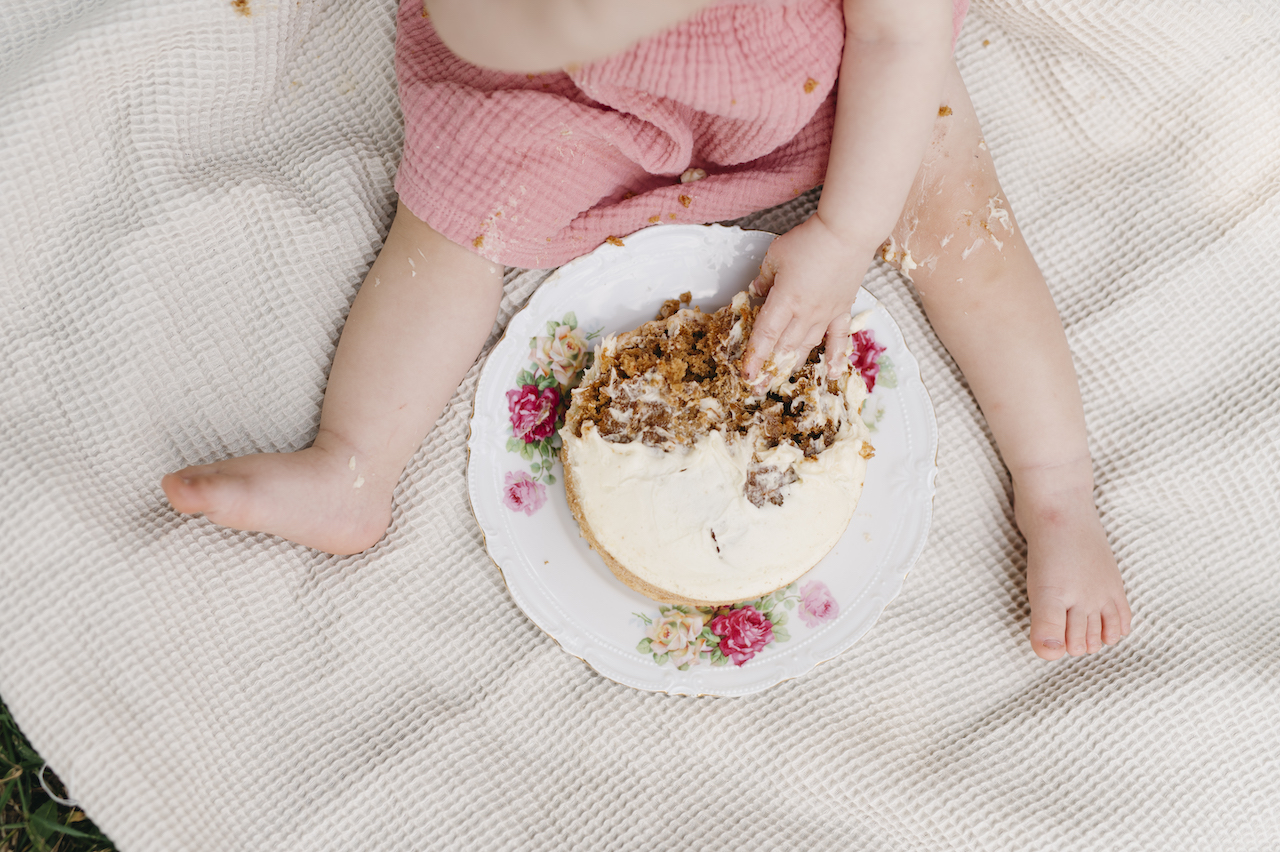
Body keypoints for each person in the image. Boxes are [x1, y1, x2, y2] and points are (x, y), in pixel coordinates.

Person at [162, 0, 1132, 660]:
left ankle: (1055, 489)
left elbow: (894, 37)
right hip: (566, 84)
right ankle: (354, 466)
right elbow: (480, 29)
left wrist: (844, 232)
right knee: (453, 219)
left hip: (818, 73)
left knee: (958, 213)